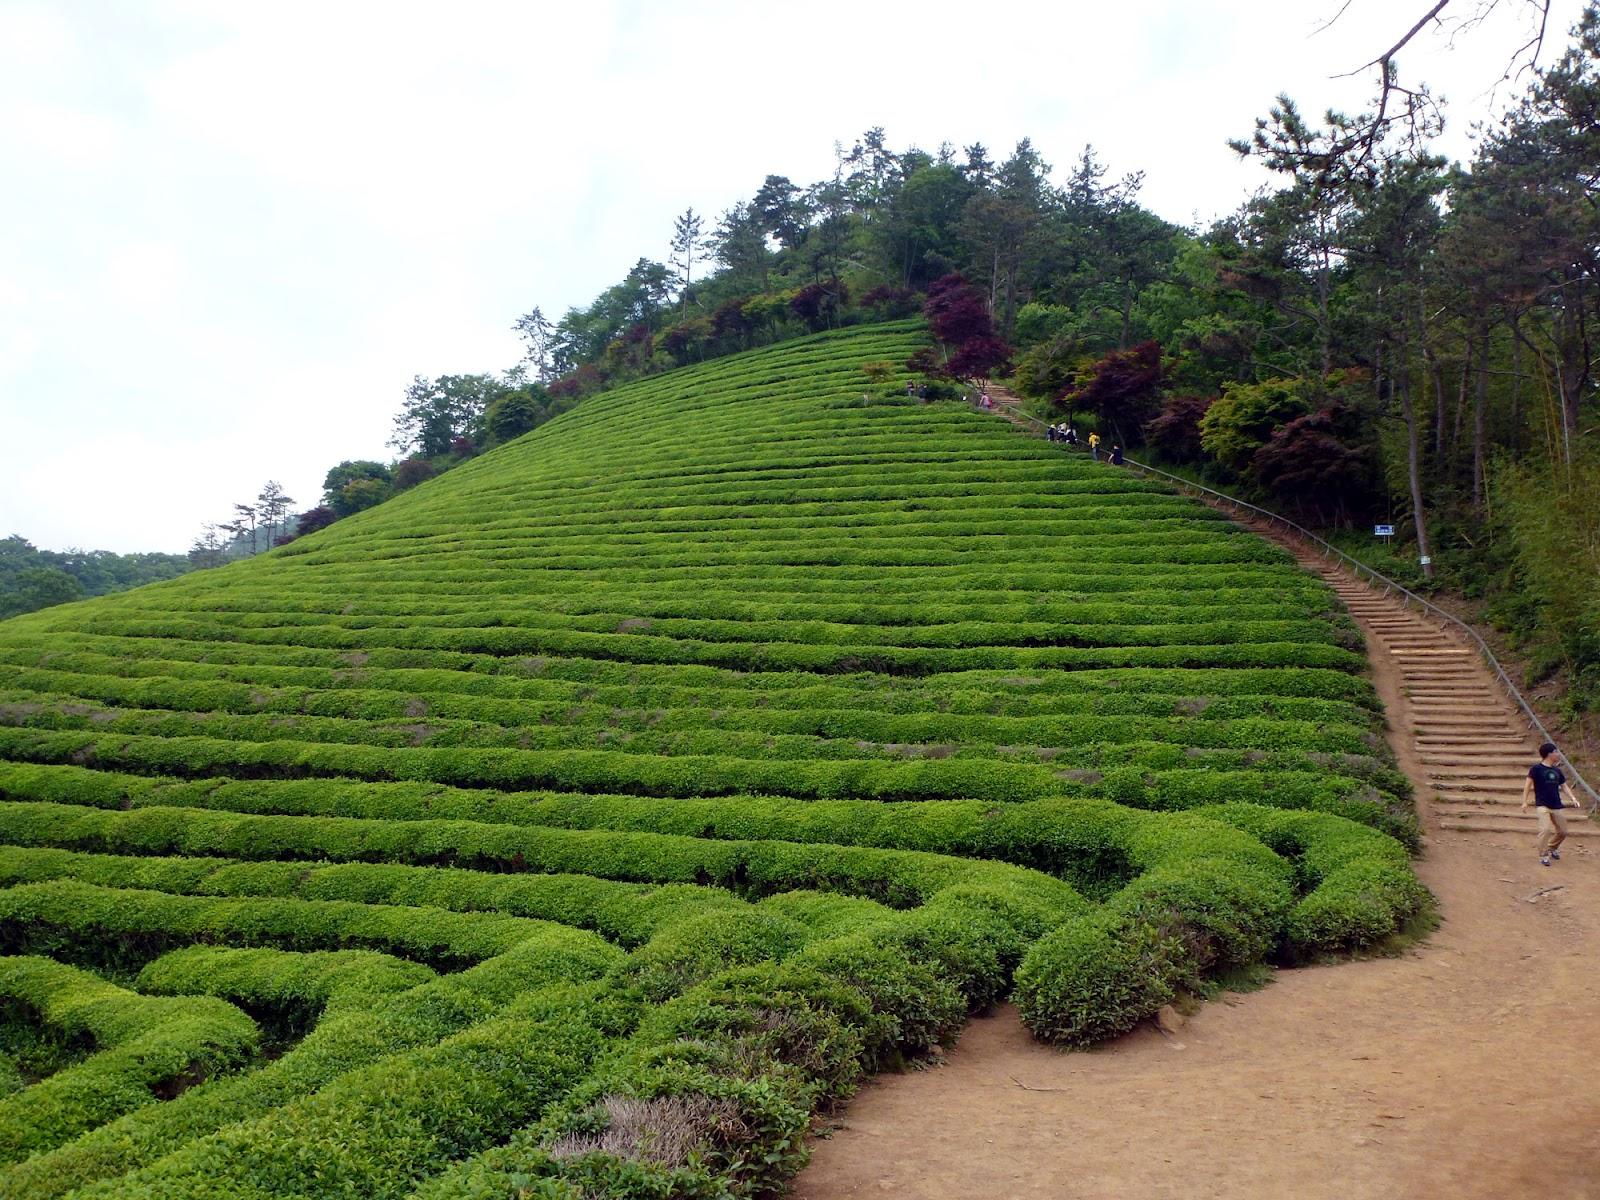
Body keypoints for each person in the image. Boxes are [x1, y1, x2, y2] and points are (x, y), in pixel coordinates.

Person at [1523, 742, 1582, 866]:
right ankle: (1543, 855)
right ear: (1549, 754)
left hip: (1556, 804)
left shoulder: (1557, 771)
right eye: (1556, 752)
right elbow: (1528, 785)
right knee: (1545, 829)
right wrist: (1524, 802)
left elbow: (1564, 786)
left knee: (1563, 831)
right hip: (1542, 804)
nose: (1558, 754)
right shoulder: (1536, 769)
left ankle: (1552, 847)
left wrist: (1573, 798)